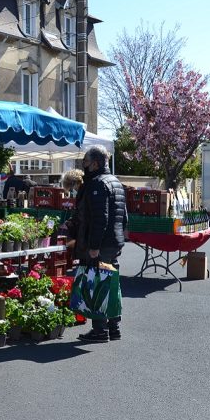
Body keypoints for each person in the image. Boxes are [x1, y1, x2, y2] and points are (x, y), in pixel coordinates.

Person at [75, 145, 127, 343]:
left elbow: (100, 218)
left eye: (85, 163)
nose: (84, 167)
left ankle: (99, 329)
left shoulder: (97, 183)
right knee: (111, 283)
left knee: (96, 283)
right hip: (114, 241)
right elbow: (124, 216)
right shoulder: (115, 181)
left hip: (101, 243)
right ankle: (113, 327)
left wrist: (94, 246)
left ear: (95, 163)